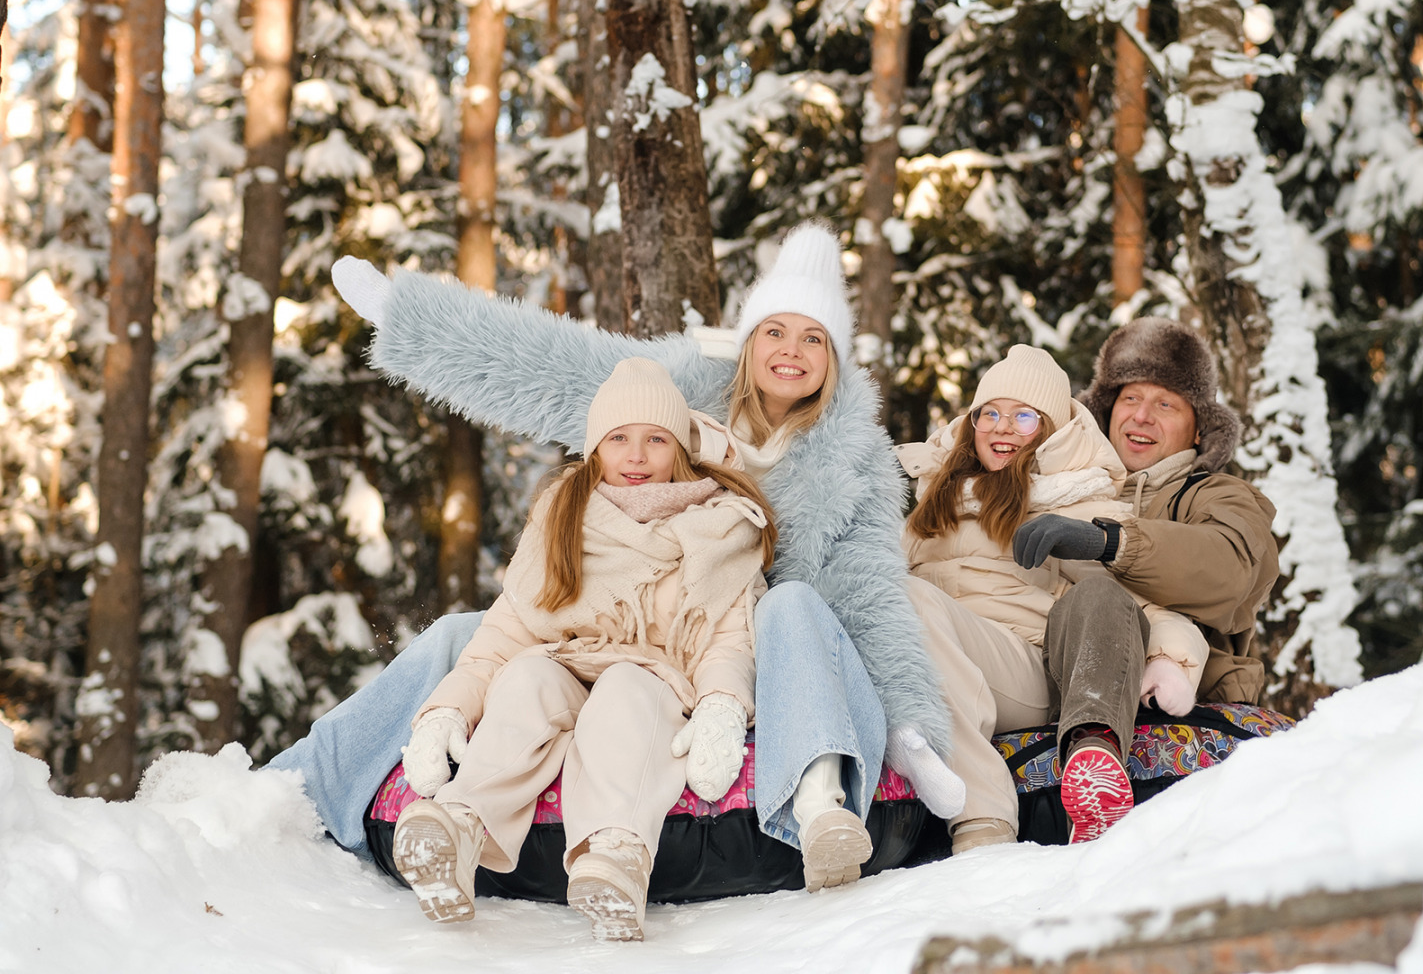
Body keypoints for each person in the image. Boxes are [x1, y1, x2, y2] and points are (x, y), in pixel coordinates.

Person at [270, 222, 960, 897]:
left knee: (785, 605)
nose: (791, 351)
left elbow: (869, 589)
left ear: (836, 357)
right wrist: (413, 321)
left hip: (754, 649)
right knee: (465, 636)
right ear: (746, 340)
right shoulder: (672, 392)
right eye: (775, 331)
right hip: (620, 625)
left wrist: (907, 724)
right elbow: (548, 365)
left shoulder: (858, 459)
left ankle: (802, 804)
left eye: (814, 338)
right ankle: (300, 782)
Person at [392, 359, 772, 940]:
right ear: (596, 449)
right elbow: (506, 632)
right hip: (571, 665)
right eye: (618, 438)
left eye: (655, 439)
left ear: (681, 449)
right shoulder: (563, 519)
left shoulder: (718, 527)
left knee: (622, 688)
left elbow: (728, 636)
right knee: (524, 677)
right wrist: (448, 710)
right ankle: (461, 825)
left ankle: (615, 855)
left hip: (658, 680)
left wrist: (722, 706)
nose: (636, 455)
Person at [895, 345, 1210, 855]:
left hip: (1027, 668)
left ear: (1052, 431)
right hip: (940, 661)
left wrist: (1172, 660)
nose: (1002, 428)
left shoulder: (1075, 501)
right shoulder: (931, 501)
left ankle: (990, 813)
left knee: (918, 599)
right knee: (899, 596)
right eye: (989, 413)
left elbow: (1126, 603)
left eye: (1024, 417)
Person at [1011, 317, 1280, 843]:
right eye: (1131, 397)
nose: (1142, 416)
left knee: (1099, 596)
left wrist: (1109, 542)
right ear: (1106, 410)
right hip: (1038, 678)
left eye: (1167, 404)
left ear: (1199, 428)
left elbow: (1228, 567)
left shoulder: (1218, 496)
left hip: (1169, 700)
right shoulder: (1051, 484)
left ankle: (1097, 775)